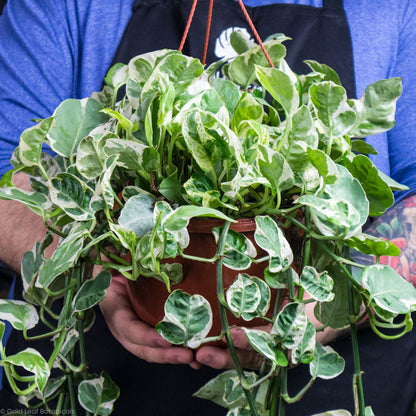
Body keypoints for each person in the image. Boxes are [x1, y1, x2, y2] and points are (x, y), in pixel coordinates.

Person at [0, 0, 415, 414]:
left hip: (335, 388)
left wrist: (336, 304)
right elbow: (6, 174)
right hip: (110, 381)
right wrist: (96, 274)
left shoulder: (392, 8)